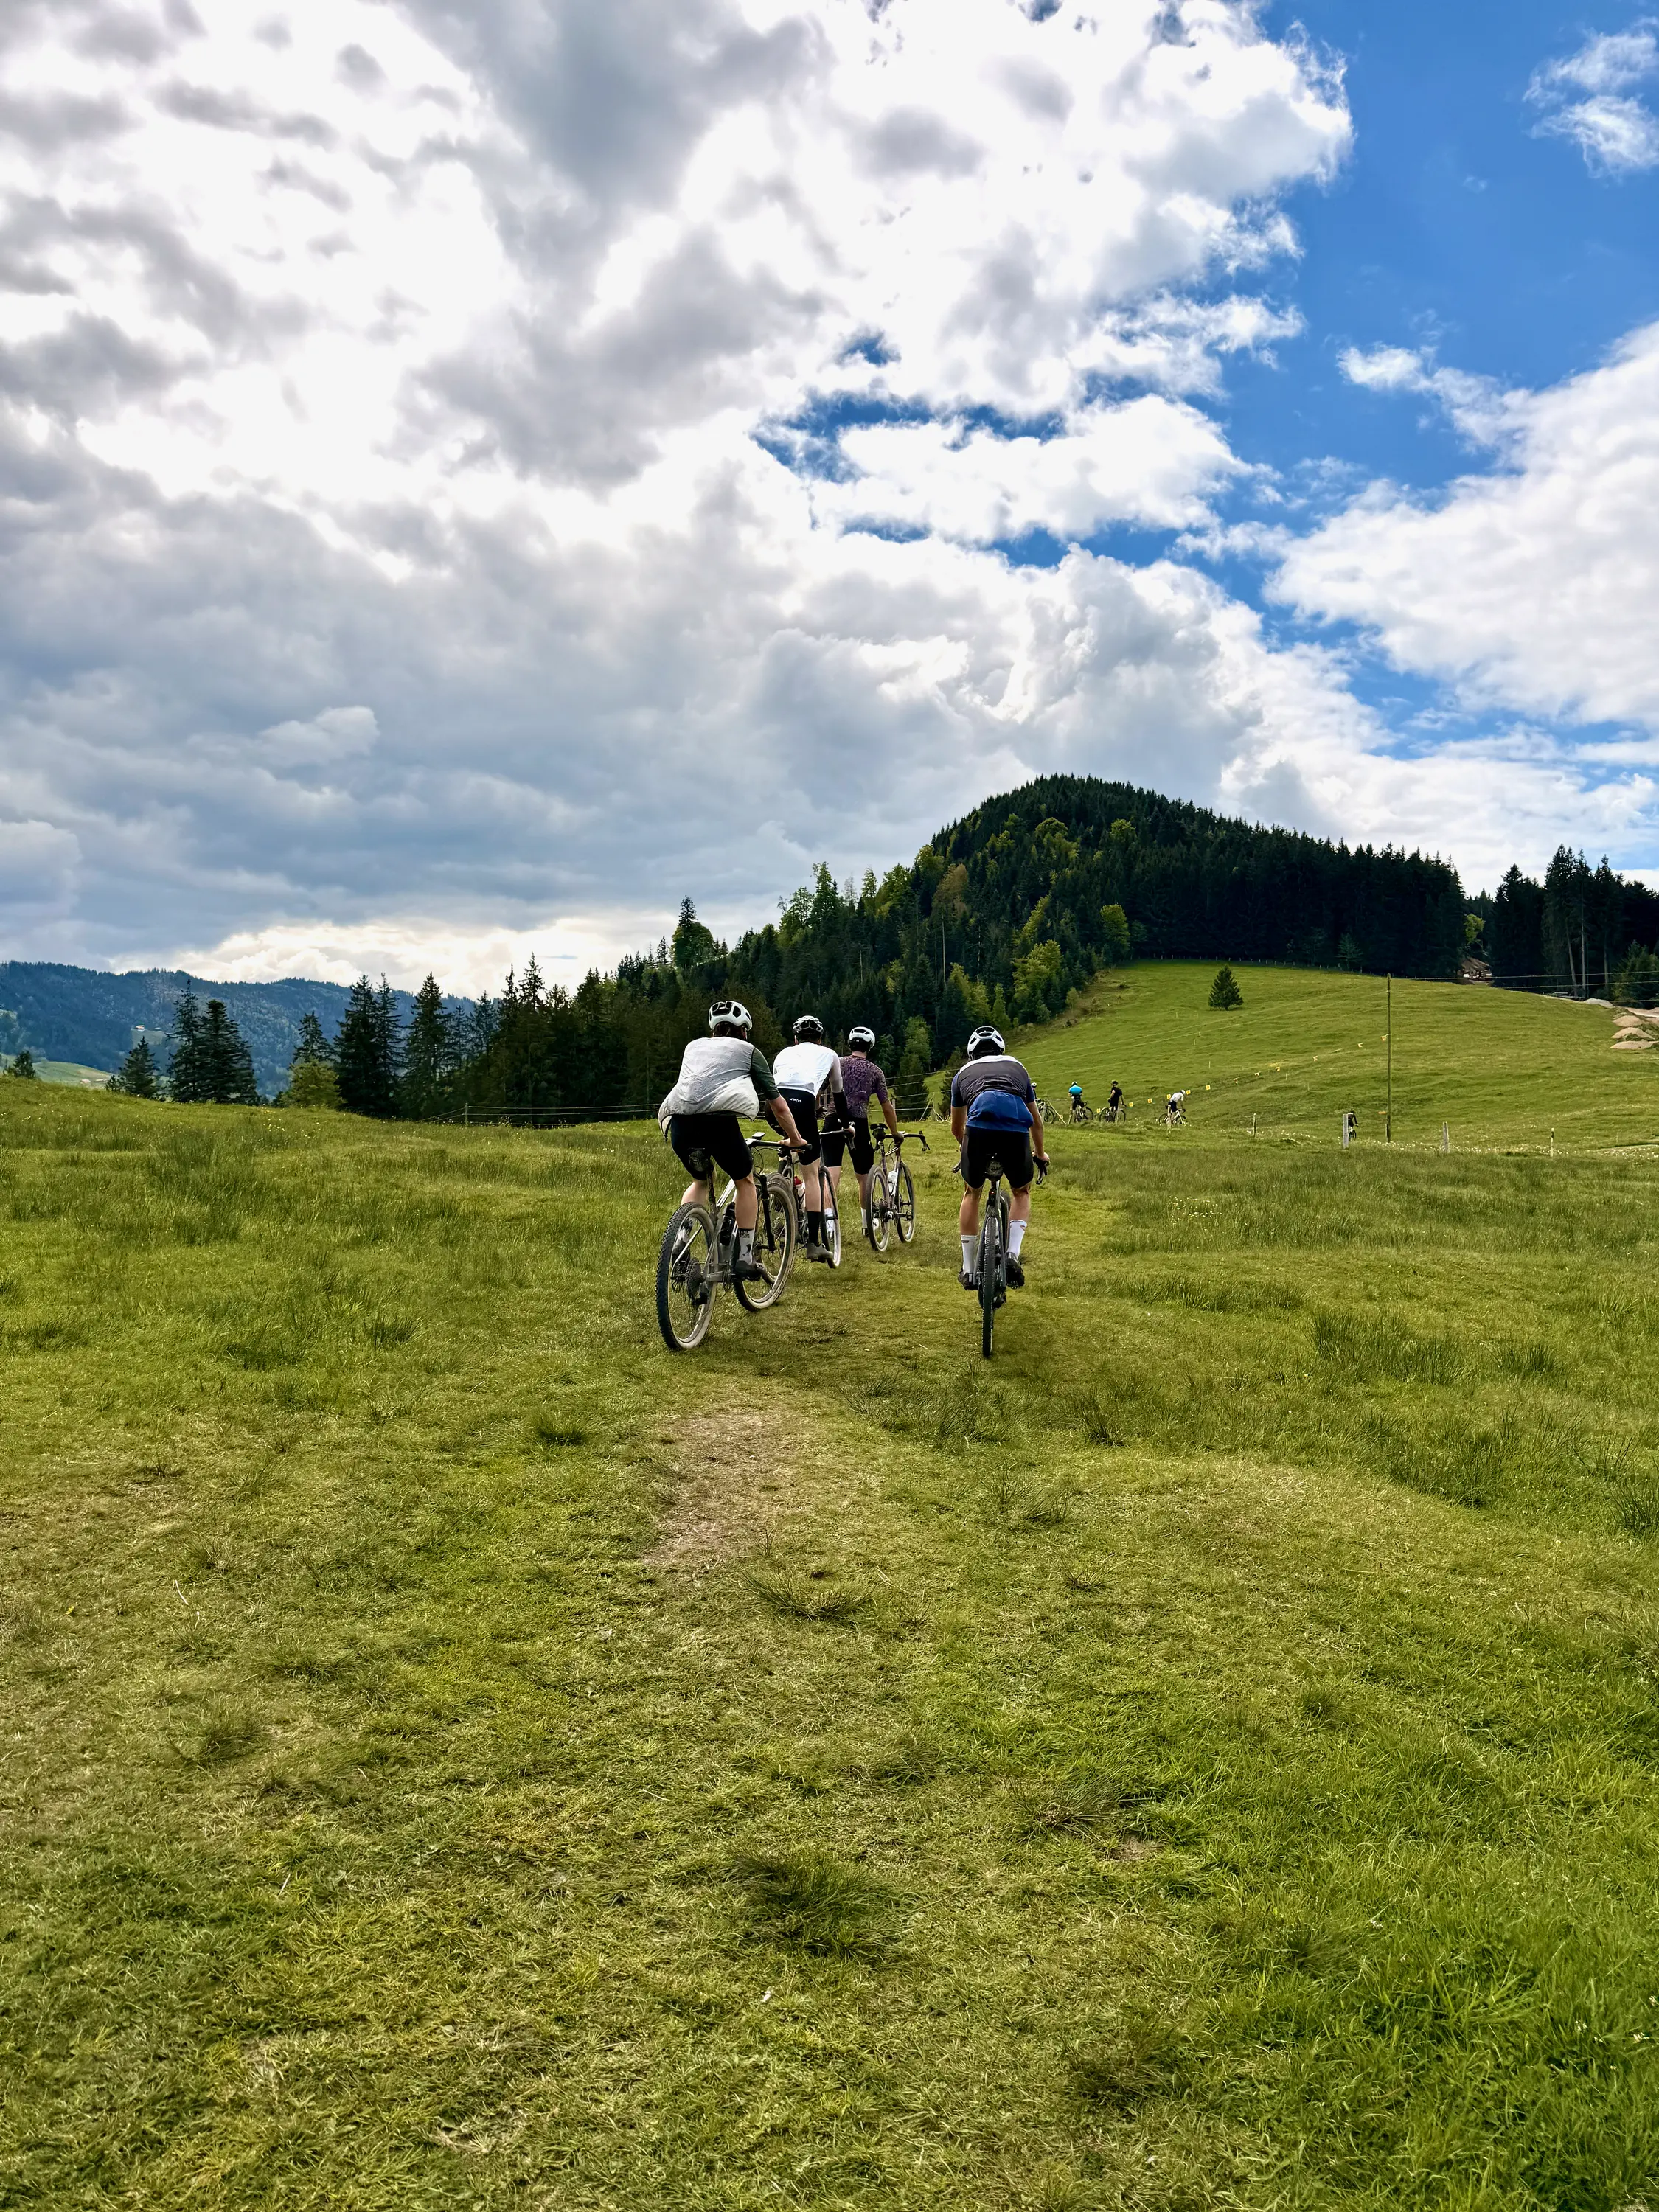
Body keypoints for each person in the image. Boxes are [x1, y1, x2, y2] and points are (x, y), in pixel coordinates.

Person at [657, 1000, 804, 1280]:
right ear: (744, 1031)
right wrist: (795, 1138)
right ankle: (746, 1257)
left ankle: (680, 1240)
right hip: (718, 1123)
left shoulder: (693, 1047)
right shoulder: (750, 1052)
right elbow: (779, 1105)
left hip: (679, 1123)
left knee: (701, 1180)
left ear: (713, 1029)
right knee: (745, 1180)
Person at [948, 1025, 1048, 1290]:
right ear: (1001, 1049)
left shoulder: (961, 1075)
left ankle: (969, 1268)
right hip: (1016, 1130)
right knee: (1021, 1192)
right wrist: (1040, 1153)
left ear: (972, 1053)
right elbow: (1036, 1122)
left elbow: (957, 1128)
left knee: (972, 1193)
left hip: (978, 1131)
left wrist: (965, 1147)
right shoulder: (1018, 1068)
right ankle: (1013, 1254)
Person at [773, 1014, 851, 1262]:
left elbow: (787, 1083)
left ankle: (785, 1183)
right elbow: (838, 1094)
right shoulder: (829, 1055)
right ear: (820, 1039)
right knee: (812, 1172)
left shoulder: (784, 1053)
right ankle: (814, 1243)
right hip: (802, 1104)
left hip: (773, 1106)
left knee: (792, 1139)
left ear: (795, 1039)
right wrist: (846, 1124)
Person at [823, 1024, 902, 1217]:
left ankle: (829, 1225)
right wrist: (894, 1131)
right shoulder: (875, 1071)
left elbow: (818, 1088)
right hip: (858, 1122)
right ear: (870, 1046)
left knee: (831, 1175)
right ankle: (867, 1222)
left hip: (833, 1120)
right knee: (863, 1177)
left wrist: (818, 1108)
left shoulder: (836, 1063)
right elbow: (886, 1106)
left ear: (850, 1044)